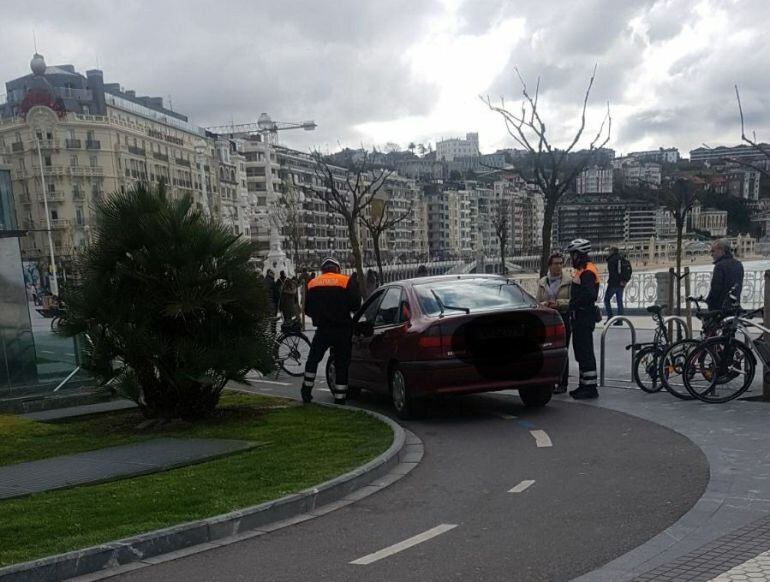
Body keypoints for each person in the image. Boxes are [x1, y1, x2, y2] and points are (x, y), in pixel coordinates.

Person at [302, 258, 361, 405]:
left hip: (323, 330)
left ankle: (306, 392)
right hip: (342, 330)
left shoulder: (313, 283)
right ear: (338, 269)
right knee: (342, 363)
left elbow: (307, 309)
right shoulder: (346, 281)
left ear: (322, 270)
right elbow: (355, 305)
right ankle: (340, 398)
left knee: (313, 360)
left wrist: (320, 315)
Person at [566, 238, 601, 400]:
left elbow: (589, 294)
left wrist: (575, 304)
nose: (571, 258)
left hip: (584, 317)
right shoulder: (582, 270)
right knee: (580, 351)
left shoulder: (587, 272)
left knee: (585, 352)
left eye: (573, 255)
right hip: (579, 317)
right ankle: (583, 385)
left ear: (579, 255)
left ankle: (591, 388)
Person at [536, 252, 572, 393]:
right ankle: (549, 381)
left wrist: (559, 303)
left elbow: (572, 301)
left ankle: (563, 382)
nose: (558, 266)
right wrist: (545, 303)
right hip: (547, 320)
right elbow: (538, 301)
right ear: (549, 265)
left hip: (562, 318)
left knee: (563, 349)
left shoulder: (568, 281)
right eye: (555, 263)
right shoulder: (542, 282)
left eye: (560, 263)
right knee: (547, 350)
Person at [706, 239, 744, 311]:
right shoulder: (739, 264)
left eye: (713, 251)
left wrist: (709, 302)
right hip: (734, 305)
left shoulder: (719, 266)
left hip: (720, 307)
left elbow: (716, 288)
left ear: (721, 250)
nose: (711, 254)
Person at [604, 246, 625, 324]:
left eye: (609, 250)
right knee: (620, 302)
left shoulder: (611, 260)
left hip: (613, 284)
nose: (609, 252)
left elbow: (612, 274)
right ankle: (620, 320)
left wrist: (611, 283)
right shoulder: (621, 258)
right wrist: (623, 281)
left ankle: (610, 317)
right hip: (621, 284)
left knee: (606, 300)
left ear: (613, 251)